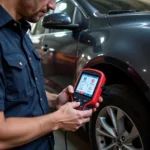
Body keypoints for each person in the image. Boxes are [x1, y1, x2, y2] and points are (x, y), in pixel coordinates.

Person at [0, 0, 103, 149]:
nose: (52, 6)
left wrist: (55, 101)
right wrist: (57, 120)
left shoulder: (20, 32)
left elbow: (17, 91)